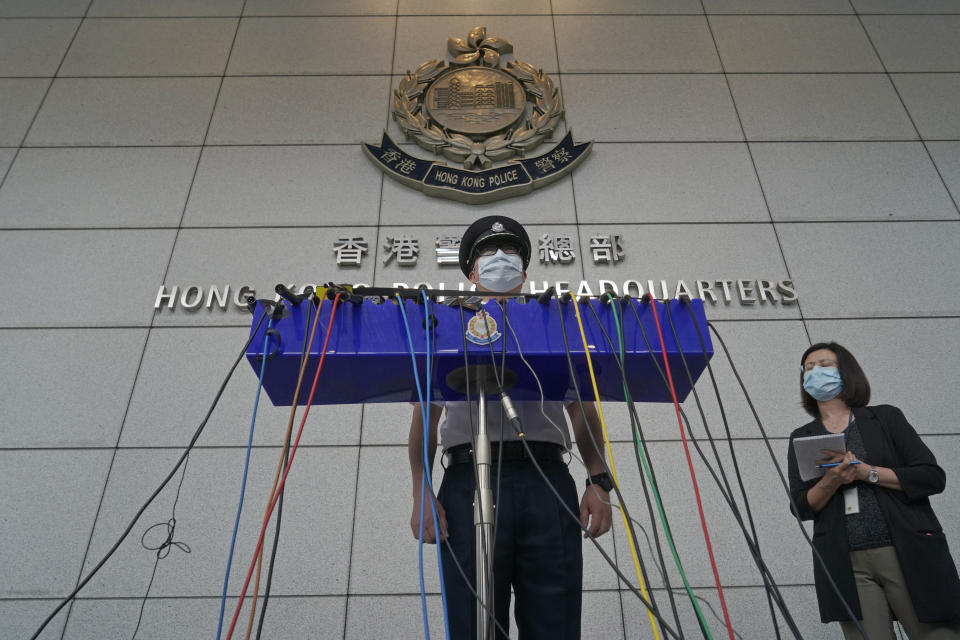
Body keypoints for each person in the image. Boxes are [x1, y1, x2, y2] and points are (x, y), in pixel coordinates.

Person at [407, 215, 613, 640]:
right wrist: (421, 490)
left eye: (511, 252)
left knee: (554, 616)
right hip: (466, 482)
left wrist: (599, 481)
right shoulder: (444, 328)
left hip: (546, 479)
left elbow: (581, 411)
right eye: (488, 252)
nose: (501, 259)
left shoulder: (554, 323)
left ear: (524, 270)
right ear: (471, 271)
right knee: (473, 619)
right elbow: (425, 421)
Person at [787, 342, 960, 640]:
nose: (816, 372)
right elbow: (802, 507)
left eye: (825, 364)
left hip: (905, 547)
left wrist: (867, 473)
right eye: (809, 368)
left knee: (936, 634)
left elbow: (932, 477)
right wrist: (832, 481)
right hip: (847, 560)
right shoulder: (802, 437)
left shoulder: (885, 418)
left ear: (847, 372)